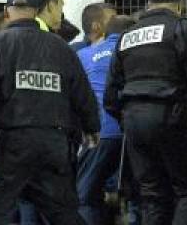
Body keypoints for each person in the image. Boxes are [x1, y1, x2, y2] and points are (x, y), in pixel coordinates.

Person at [0, 0, 99, 224]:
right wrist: (92, 127)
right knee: (63, 212)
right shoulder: (60, 47)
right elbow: (82, 92)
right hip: (53, 142)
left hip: (11, 144)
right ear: (37, 12)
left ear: (6, 13)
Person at [105, 0, 187, 225]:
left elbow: (111, 93)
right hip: (173, 118)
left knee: (152, 195)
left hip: (134, 121)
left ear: (148, 4)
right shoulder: (186, 29)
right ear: (180, 5)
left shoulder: (126, 36)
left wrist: (127, 119)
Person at [74, 13, 133, 225]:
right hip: (134, 134)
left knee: (86, 195)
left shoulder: (85, 54)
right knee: (138, 195)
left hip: (100, 133)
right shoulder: (136, 54)